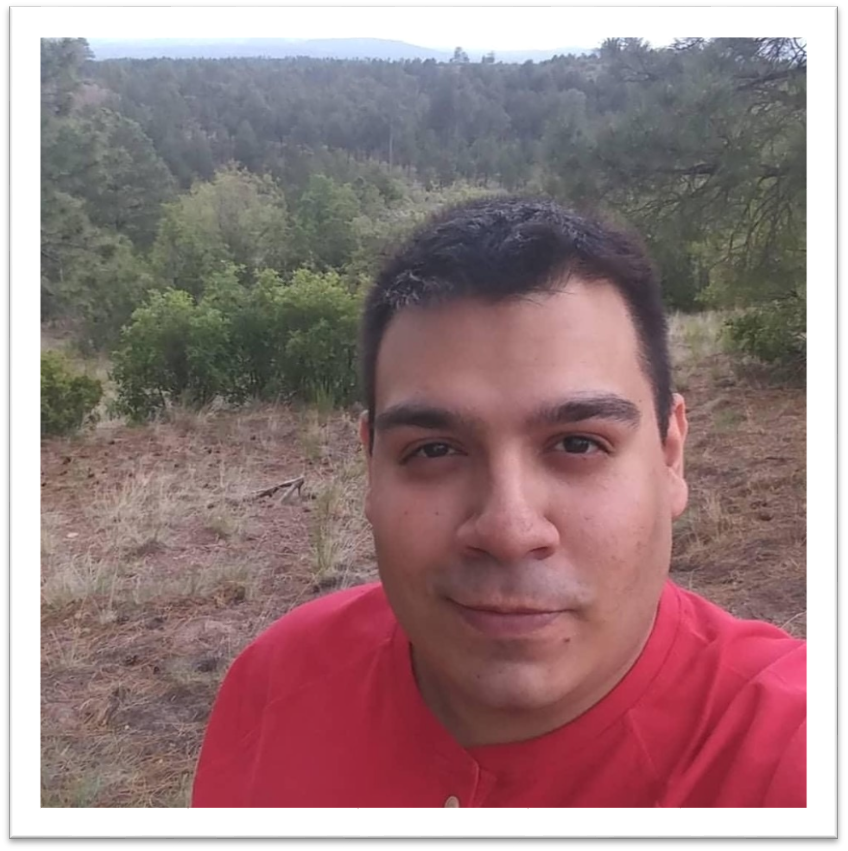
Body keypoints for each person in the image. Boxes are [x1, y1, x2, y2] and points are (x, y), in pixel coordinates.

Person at [191, 196, 806, 808]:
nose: (509, 530)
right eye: (434, 450)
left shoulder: (793, 757)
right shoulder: (276, 686)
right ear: (371, 466)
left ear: (669, 456)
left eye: (578, 443)